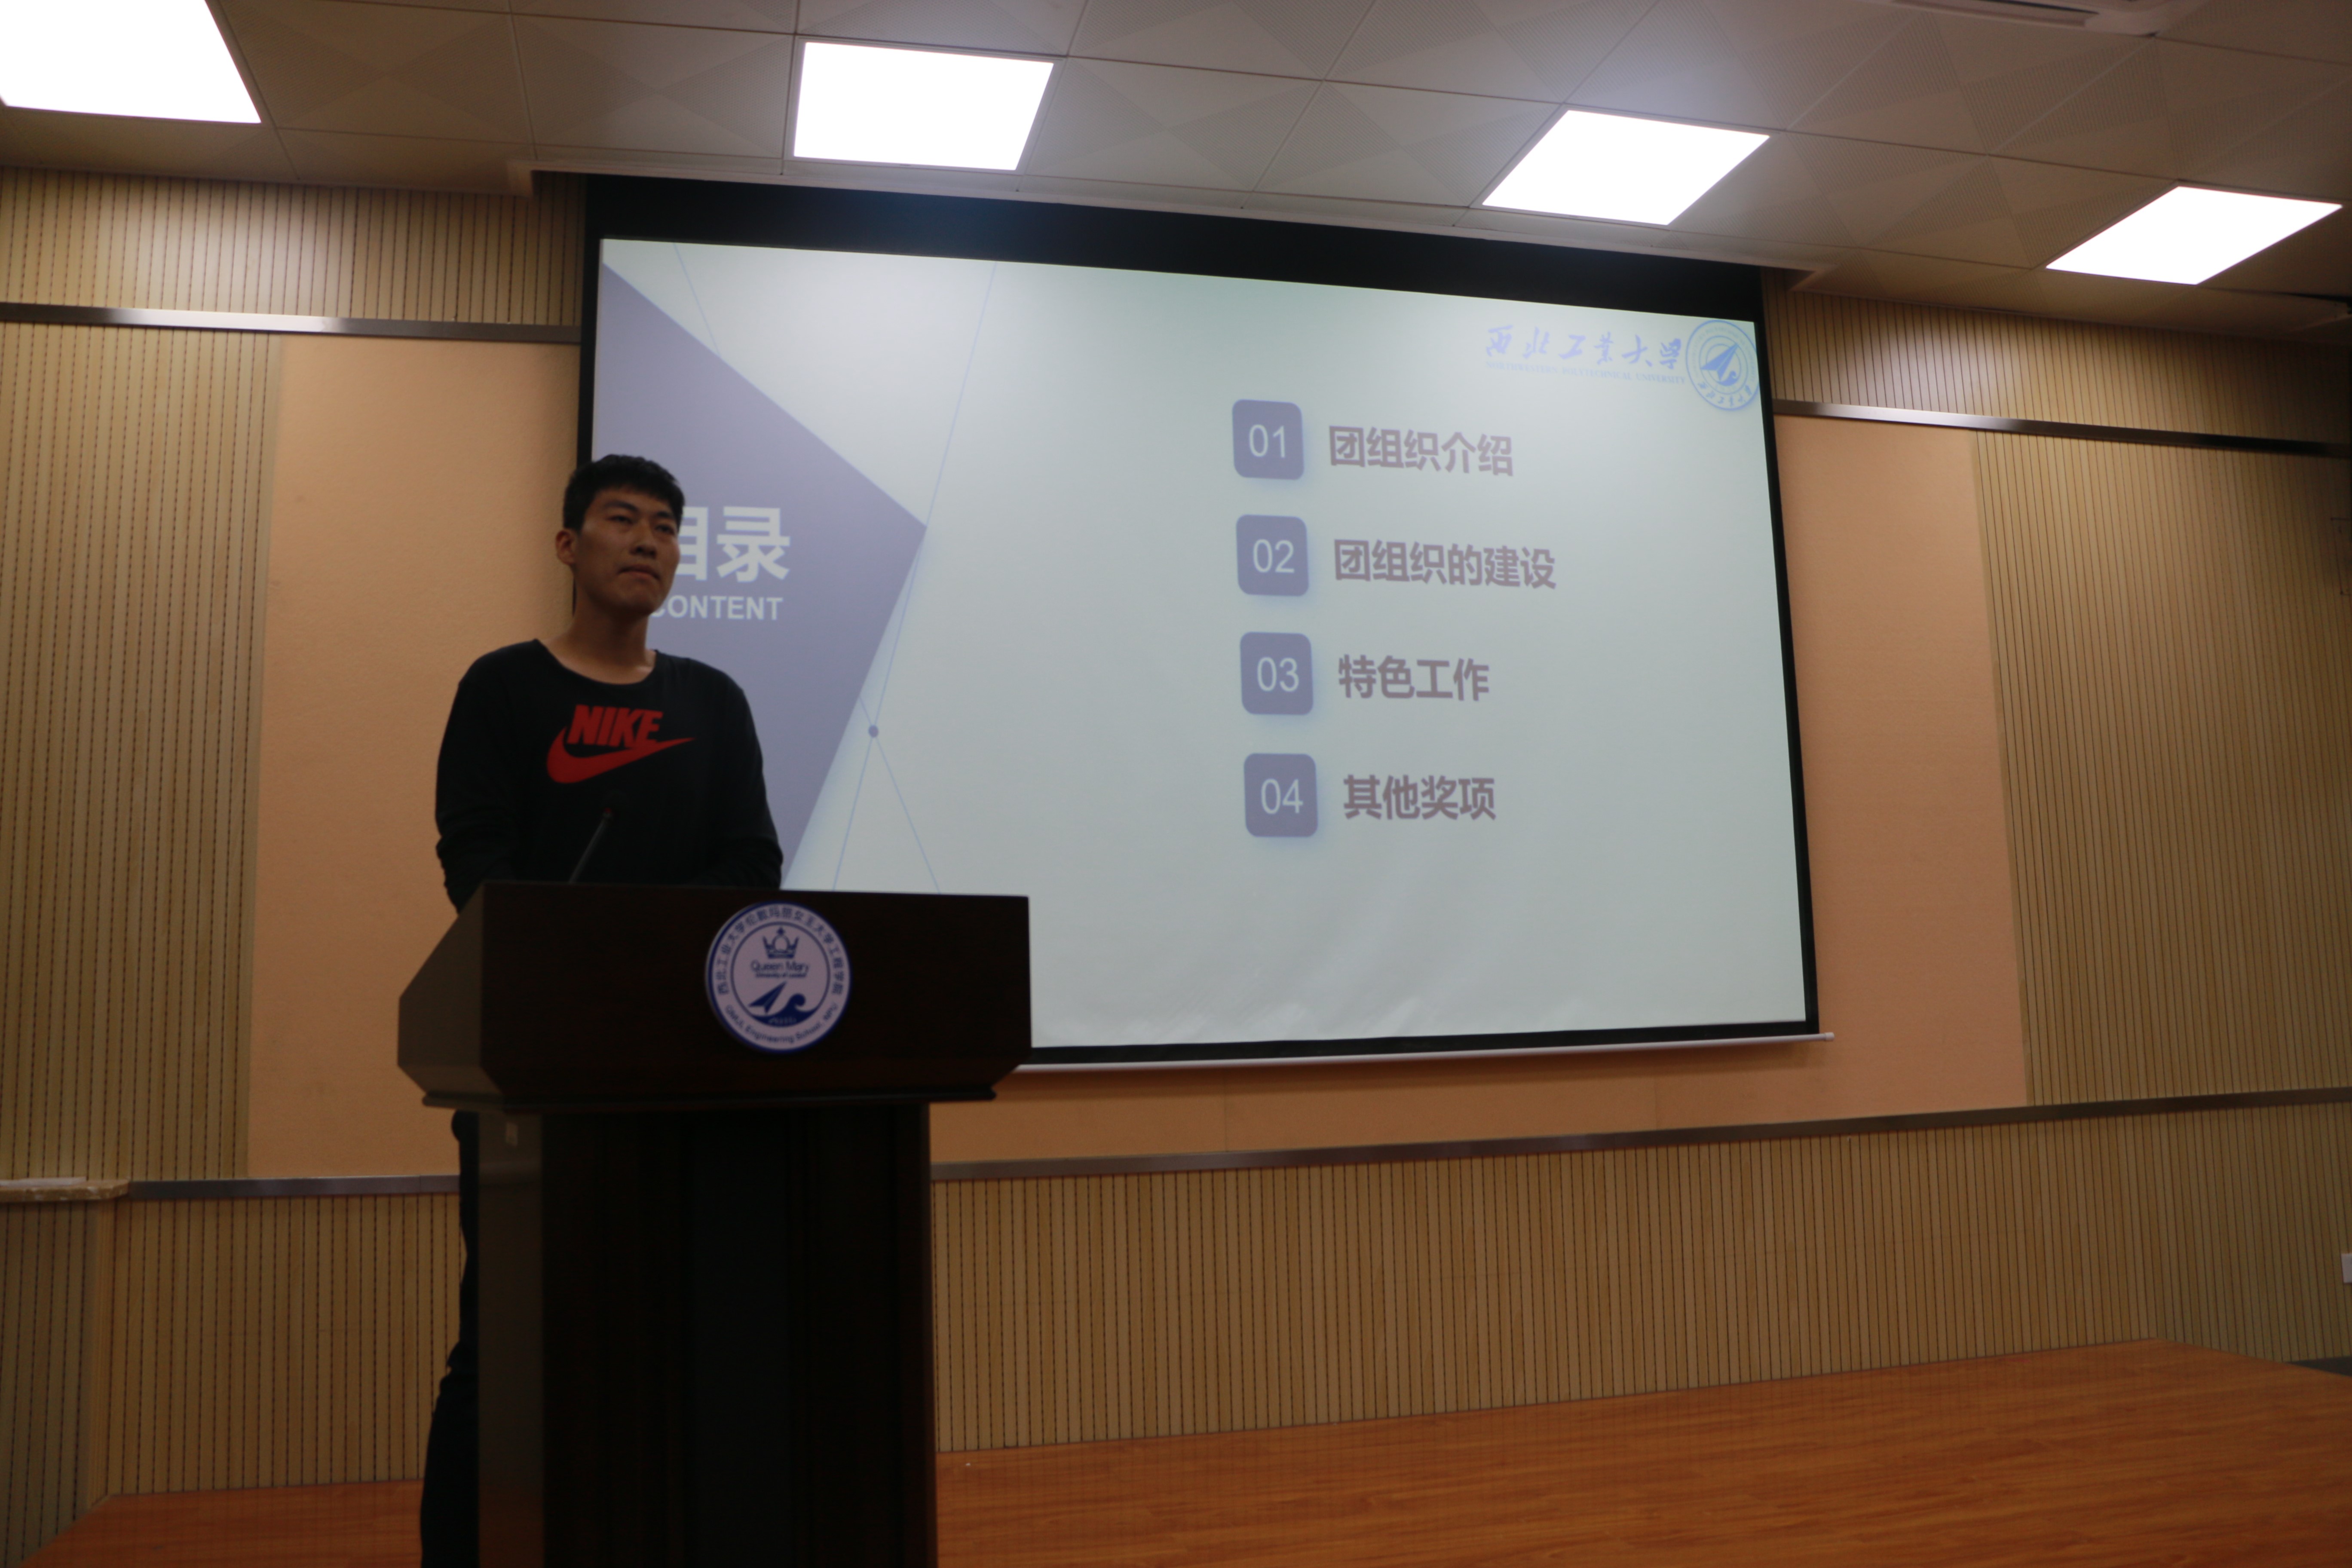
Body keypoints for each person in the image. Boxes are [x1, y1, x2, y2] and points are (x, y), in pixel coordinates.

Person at [418, 453, 782, 1566]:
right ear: (570, 547)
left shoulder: (712, 701)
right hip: (534, 1068)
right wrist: (588, 965)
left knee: (680, 1338)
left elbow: (752, 864)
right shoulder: (504, 688)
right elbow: (474, 860)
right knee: (504, 1346)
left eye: (667, 527)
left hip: (684, 1074)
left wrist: (643, 958)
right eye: (623, 520)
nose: (648, 541)